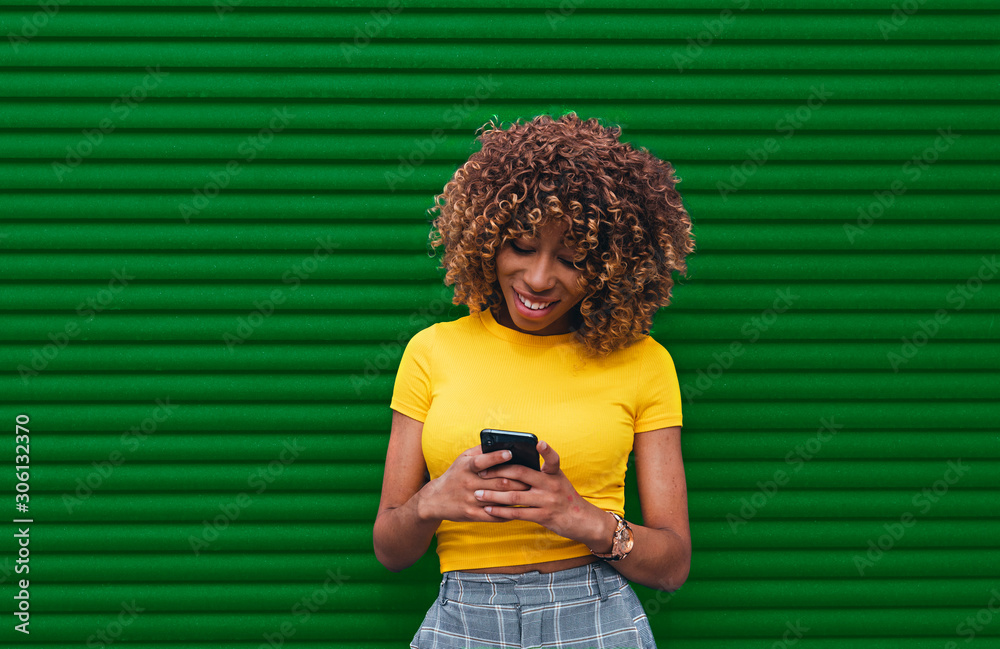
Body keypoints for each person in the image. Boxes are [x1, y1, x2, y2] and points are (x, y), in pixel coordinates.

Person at [374, 111, 696, 649]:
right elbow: (390, 550)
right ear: (487, 239)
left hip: (597, 617)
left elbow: (673, 565)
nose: (540, 278)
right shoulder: (431, 351)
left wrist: (580, 518)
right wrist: (433, 500)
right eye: (522, 247)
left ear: (609, 264)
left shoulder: (645, 362)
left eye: (571, 258)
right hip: (463, 618)